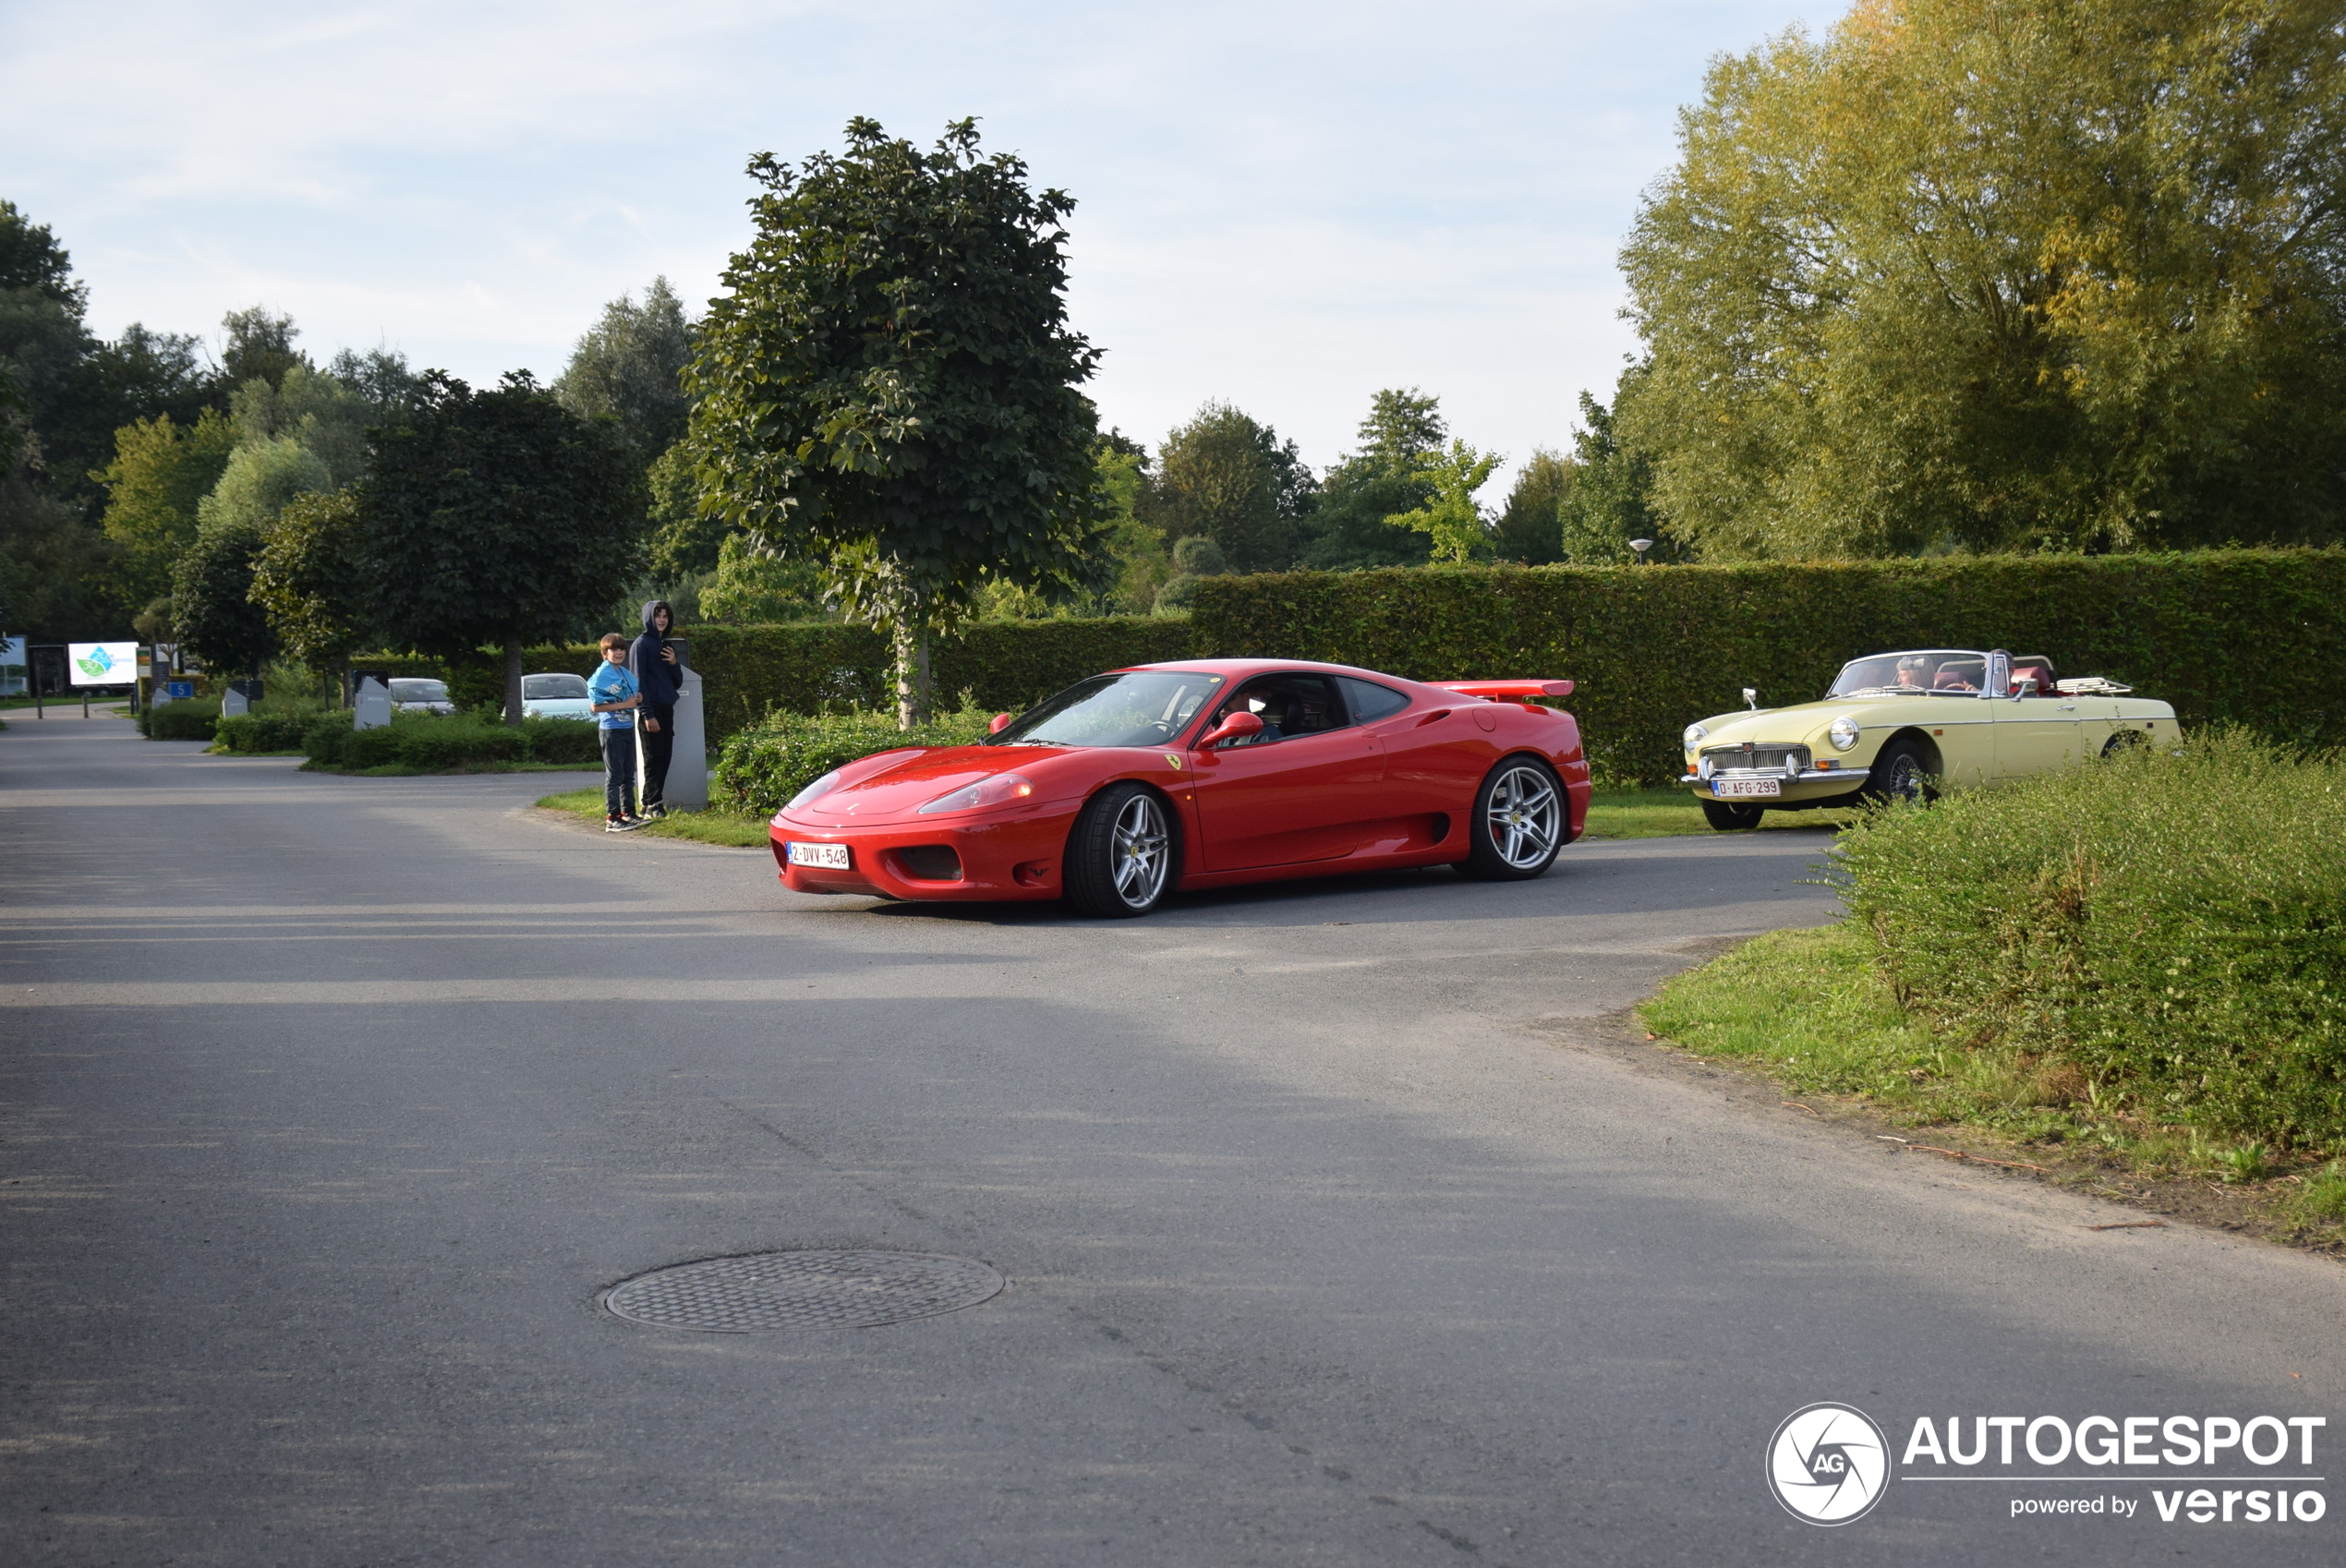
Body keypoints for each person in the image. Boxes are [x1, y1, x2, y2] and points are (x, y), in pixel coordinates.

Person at [628, 600, 683, 819]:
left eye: (665, 616)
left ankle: (648, 803)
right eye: (657, 615)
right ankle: (654, 804)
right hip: (650, 710)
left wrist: (673, 663)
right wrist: (647, 714)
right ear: (649, 618)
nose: (661, 620)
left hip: (666, 707)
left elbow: (676, 682)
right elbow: (638, 682)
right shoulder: (641, 645)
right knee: (653, 758)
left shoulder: (664, 645)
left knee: (664, 756)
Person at [588, 632, 644, 831]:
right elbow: (595, 707)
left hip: (627, 727)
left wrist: (635, 701)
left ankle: (628, 813)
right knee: (615, 776)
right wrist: (625, 703)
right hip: (611, 730)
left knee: (629, 774)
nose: (619, 652)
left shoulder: (622, 673)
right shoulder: (603, 675)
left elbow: (628, 699)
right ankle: (612, 817)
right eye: (614, 649)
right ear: (605, 652)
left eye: (621, 649)